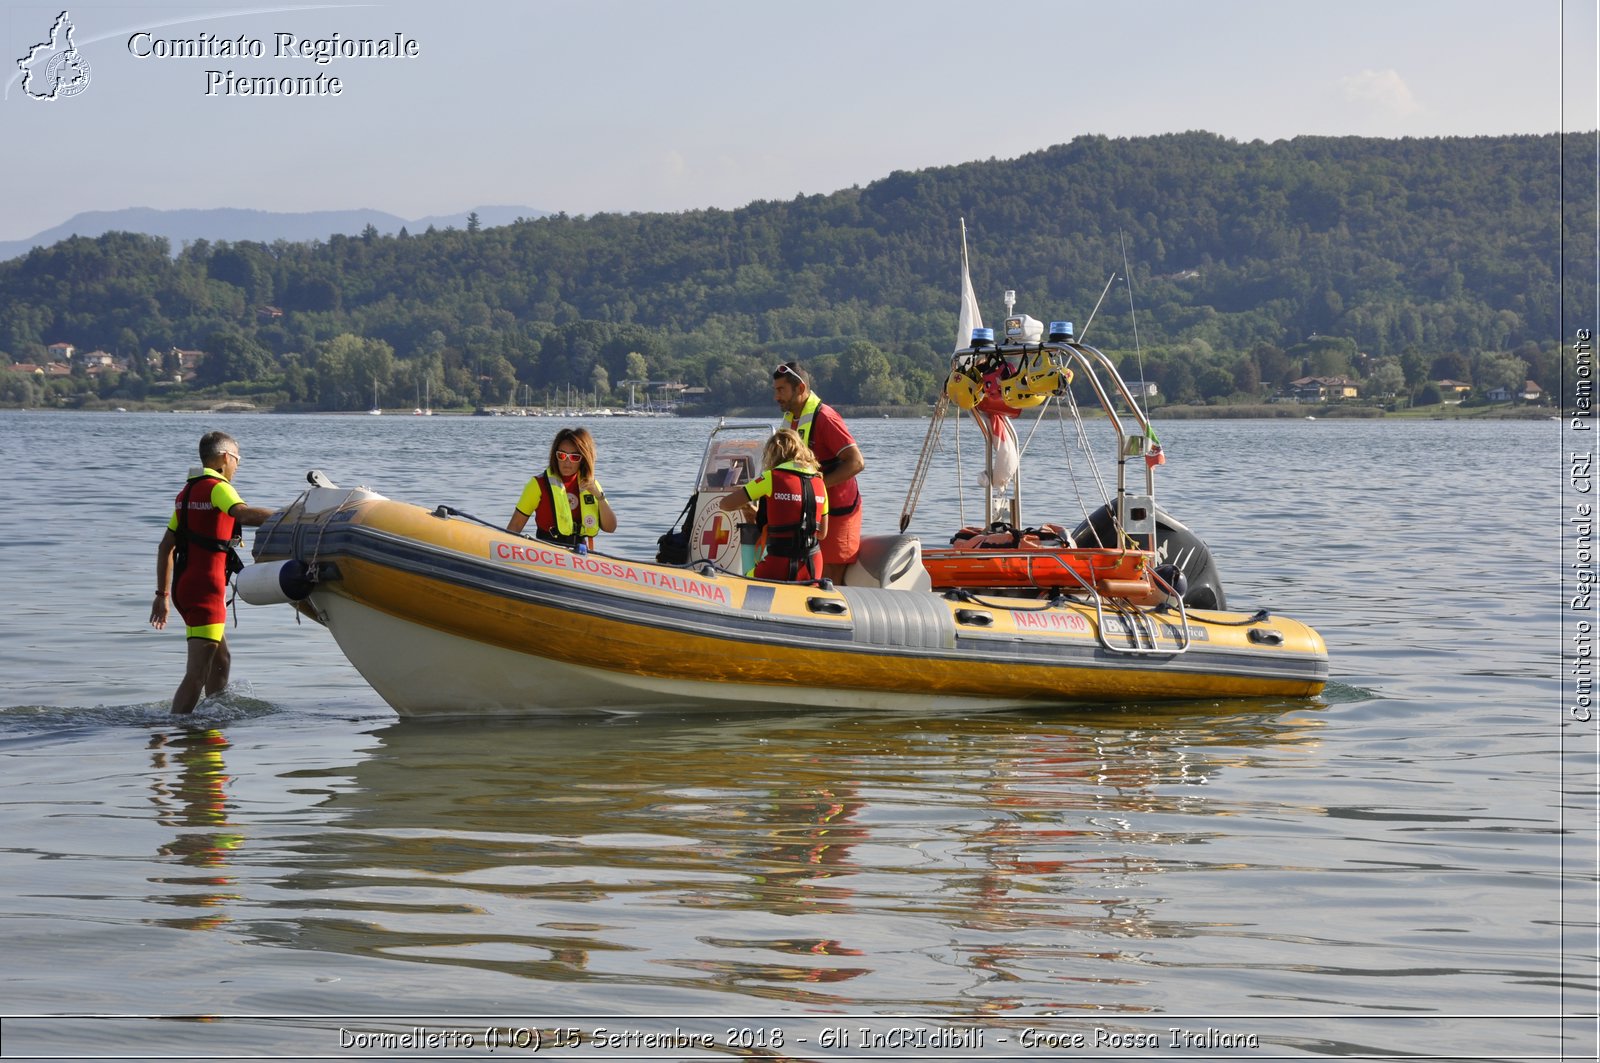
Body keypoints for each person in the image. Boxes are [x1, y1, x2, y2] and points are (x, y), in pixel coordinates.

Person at [149, 431, 276, 714]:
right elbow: (242, 515)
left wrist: (162, 595)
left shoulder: (186, 494)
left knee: (222, 659)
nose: (238, 466)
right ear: (224, 458)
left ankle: (212, 718)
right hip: (206, 590)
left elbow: (165, 546)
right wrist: (290, 515)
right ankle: (173, 733)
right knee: (196, 674)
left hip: (186, 587)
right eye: (237, 459)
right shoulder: (219, 487)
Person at [771, 361, 864, 583]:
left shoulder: (826, 418)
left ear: (800, 388)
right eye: (775, 390)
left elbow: (856, 462)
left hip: (839, 514)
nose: (776, 397)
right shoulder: (791, 420)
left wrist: (816, 488)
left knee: (830, 580)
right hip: (811, 514)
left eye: (781, 390)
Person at [719, 428, 829, 582]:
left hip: (778, 564)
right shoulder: (820, 482)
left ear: (772, 455)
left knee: (743, 580)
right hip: (812, 566)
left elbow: (725, 504)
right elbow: (822, 533)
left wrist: (746, 507)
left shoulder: (770, 478)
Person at [508, 426, 617, 549]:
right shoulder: (537, 484)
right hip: (546, 552)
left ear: (583, 459)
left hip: (580, 556)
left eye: (574, 457)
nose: (567, 462)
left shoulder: (591, 485)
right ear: (555, 456)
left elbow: (610, 528)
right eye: (562, 455)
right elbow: (515, 527)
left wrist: (599, 497)